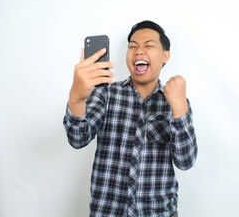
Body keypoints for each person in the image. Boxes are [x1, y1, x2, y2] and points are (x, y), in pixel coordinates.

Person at [63, 20, 198, 217]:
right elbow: (77, 139)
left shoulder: (177, 101)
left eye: (149, 45)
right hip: (107, 212)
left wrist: (178, 108)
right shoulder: (106, 94)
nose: (138, 51)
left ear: (165, 56)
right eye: (132, 46)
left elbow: (185, 161)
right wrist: (76, 97)